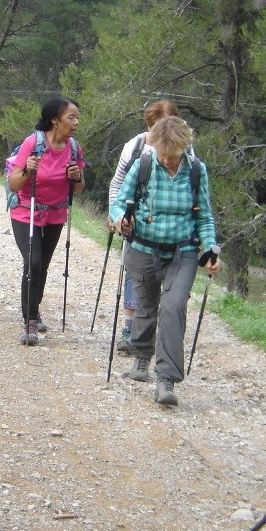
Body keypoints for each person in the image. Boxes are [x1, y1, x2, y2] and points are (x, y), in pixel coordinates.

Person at [110, 116, 220, 406]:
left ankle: (166, 379)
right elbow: (119, 202)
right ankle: (142, 357)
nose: (169, 160)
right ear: (155, 146)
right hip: (144, 247)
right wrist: (121, 219)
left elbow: (204, 216)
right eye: (164, 154)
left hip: (183, 251)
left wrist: (209, 249)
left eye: (174, 155)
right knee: (146, 307)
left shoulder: (197, 170)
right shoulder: (143, 165)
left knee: (173, 307)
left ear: (185, 147)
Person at [6, 97, 87, 345]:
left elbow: (78, 190)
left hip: (55, 213)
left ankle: (34, 308)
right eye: (71, 117)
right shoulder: (34, 143)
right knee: (33, 262)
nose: (76, 122)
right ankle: (30, 321)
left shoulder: (74, 148)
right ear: (55, 120)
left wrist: (76, 177)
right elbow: (14, 183)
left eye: (76, 117)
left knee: (43, 265)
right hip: (25, 211)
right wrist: (28, 170)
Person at [108, 100, 181, 354]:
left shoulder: (185, 150)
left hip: (171, 226)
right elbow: (117, 182)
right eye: (157, 127)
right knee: (133, 272)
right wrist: (116, 215)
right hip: (135, 220)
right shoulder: (136, 146)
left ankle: (153, 331)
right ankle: (131, 328)